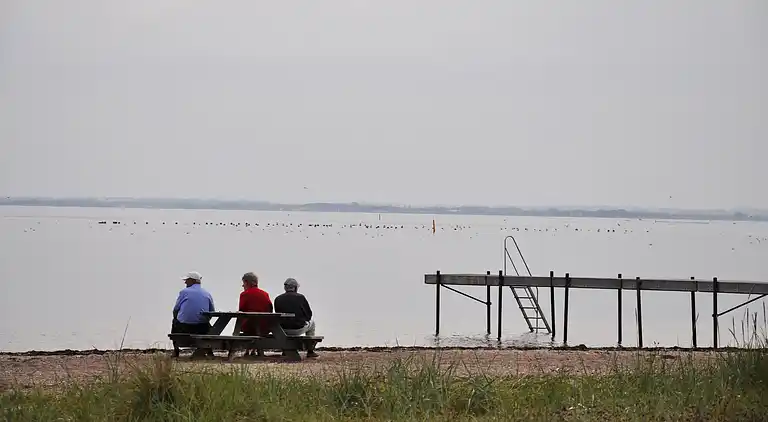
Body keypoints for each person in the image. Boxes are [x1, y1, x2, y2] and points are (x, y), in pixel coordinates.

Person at [171, 271, 215, 358]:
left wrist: (178, 317)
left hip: (185, 326)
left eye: (186, 280)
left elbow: (175, 309)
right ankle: (209, 351)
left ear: (192, 281)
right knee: (209, 326)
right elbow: (212, 311)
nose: (185, 282)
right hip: (201, 327)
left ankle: (176, 351)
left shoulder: (184, 292)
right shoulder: (207, 293)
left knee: (174, 321)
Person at [274, 277, 318, 358]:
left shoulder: (278, 299)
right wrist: (305, 320)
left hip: (283, 330)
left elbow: (277, 315)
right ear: (295, 287)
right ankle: (310, 350)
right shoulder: (301, 297)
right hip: (298, 328)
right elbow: (309, 314)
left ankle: (285, 350)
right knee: (312, 323)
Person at [237, 272, 273, 357]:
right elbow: (270, 309)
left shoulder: (244, 294)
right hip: (264, 327)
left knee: (245, 322)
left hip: (249, 326)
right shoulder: (265, 294)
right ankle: (253, 349)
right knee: (256, 325)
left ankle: (249, 350)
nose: (243, 286)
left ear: (247, 283)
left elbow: (241, 310)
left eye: (243, 283)